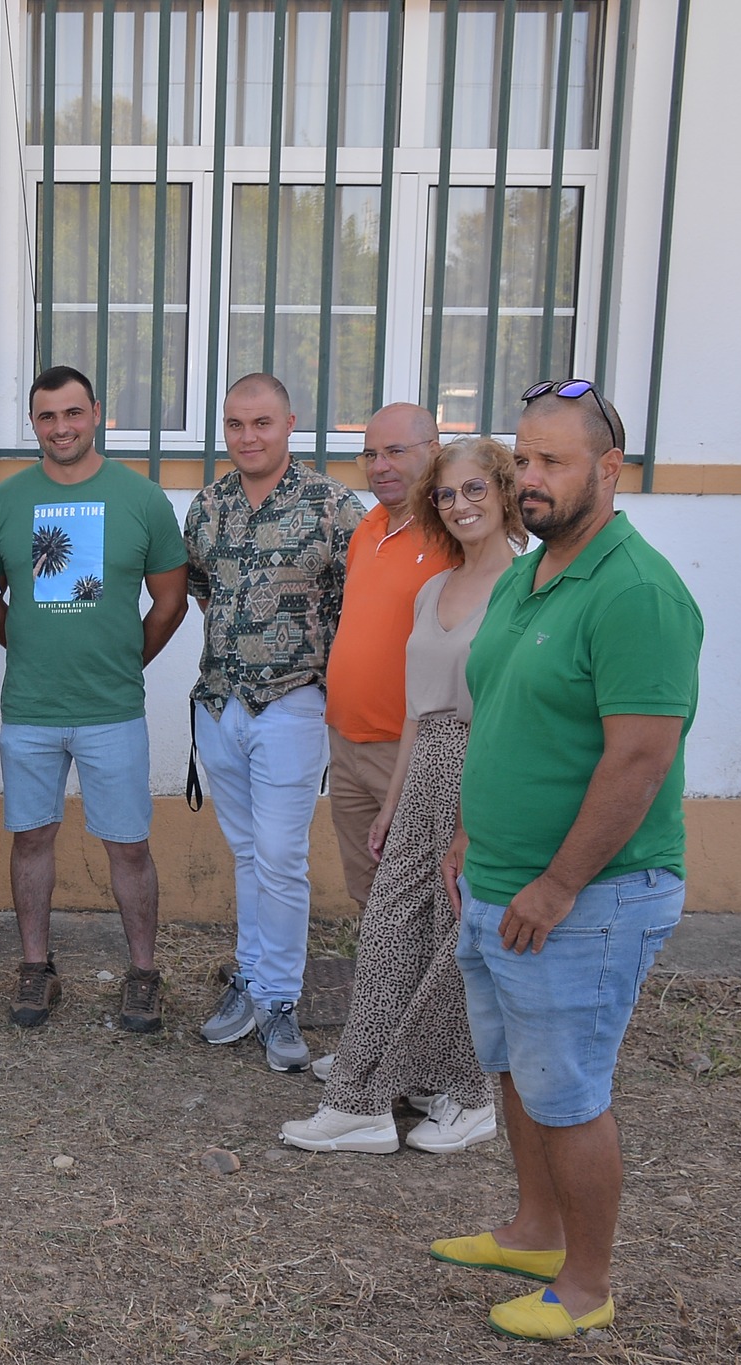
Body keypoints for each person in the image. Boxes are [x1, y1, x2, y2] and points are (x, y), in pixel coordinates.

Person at [434, 380, 703, 1342]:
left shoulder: (638, 594)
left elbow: (639, 760)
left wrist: (556, 883)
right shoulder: (527, 573)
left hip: (587, 898)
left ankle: (586, 1283)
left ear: (610, 469)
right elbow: (502, 712)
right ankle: (536, 1230)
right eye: (524, 460)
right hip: (500, 879)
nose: (530, 479)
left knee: (569, 1090)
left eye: (552, 461)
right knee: (516, 1071)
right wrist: (471, 832)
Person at [281, 437, 522, 1156]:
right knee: (395, 922)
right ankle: (375, 1091)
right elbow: (419, 708)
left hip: (491, 765)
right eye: (447, 494)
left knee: (461, 932)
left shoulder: (529, 584)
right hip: (425, 768)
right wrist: (393, 803)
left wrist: (478, 815)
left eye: (476, 490)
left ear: (507, 493)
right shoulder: (433, 587)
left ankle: (463, 1093)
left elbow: (517, 707)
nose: (460, 505)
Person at [0, 367, 188, 1033]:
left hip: (113, 708)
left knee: (127, 846)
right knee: (31, 837)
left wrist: (125, 659)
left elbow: (171, 601)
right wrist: (32, 649)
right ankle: (36, 967)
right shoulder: (4, 505)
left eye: (73, 413)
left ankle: (143, 974)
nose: (61, 427)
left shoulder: (142, 499)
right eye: (46, 417)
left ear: (97, 412)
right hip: (30, 708)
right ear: (32, 423)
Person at [189, 373, 364, 1072]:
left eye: (261, 423)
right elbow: (205, 589)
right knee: (246, 852)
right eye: (235, 424)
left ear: (290, 423)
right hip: (221, 703)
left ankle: (283, 998)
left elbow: (358, 598)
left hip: (294, 702)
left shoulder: (330, 504)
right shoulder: (208, 506)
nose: (248, 436)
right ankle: (253, 984)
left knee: (282, 856)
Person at [323, 404, 446, 911]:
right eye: (371, 454)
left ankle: (423, 993)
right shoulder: (368, 526)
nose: (380, 466)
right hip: (346, 744)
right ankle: (380, 989)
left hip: (406, 749)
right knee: (368, 895)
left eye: (396, 451)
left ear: (434, 453)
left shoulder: (451, 534)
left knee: (416, 897)